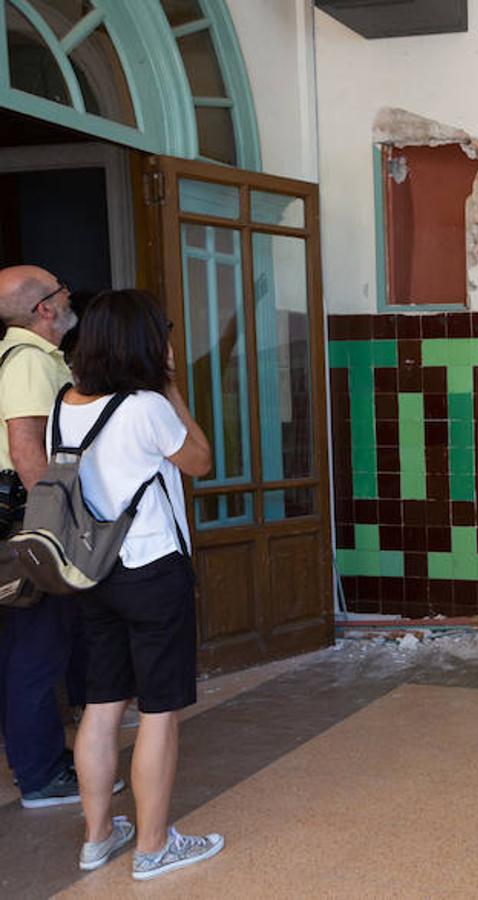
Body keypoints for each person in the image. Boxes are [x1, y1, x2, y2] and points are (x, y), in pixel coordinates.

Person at [60, 289, 223, 879]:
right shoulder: (147, 406)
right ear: (147, 343)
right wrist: (171, 386)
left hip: (95, 571)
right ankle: (154, 847)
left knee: (102, 705)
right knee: (159, 710)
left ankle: (97, 837)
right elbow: (201, 459)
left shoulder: (66, 403)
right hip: (152, 570)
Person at [0, 265, 115, 809]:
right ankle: (42, 775)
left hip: (23, 525)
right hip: (32, 528)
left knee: (28, 647)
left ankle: (39, 757)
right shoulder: (26, 363)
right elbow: (26, 451)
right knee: (37, 651)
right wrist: (57, 528)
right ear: (43, 308)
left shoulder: (29, 358)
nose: (70, 294)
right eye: (61, 287)